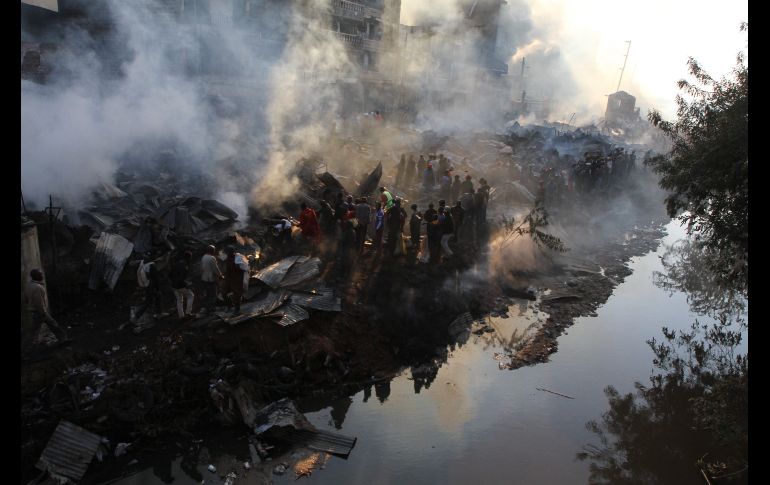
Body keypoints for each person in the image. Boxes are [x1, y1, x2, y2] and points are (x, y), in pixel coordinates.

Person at [23, 269, 68, 349]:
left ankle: (30, 346)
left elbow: (26, 300)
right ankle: (62, 339)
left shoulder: (28, 286)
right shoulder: (37, 287)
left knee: (35, 330)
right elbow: (39, 303)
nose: (42, 276)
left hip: (34, 312)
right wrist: (43, 312)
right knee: (53, 324)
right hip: (40, 312)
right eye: (40, 275)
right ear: (35, 276)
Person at [169, 251, 195, 319]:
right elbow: (182, 278)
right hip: (179, 285)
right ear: (188, 258)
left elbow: (170, 274)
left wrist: (173, 282)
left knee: (179, 300)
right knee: (191, 296)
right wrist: (186, 284)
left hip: (173, 285)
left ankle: (181, 316)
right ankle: (188, 313)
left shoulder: (177, 263)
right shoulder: (185, 266)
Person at [224, 246, 248, 315]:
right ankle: (235, 308)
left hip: (237, 279)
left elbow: (242, 267)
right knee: (235, 294)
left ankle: (237, 309)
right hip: (234, 279)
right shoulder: (230, 258)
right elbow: (229, 270)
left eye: (228, 252)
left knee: (237, 294)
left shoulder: (237, 258)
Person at [200, 245, 224, 314]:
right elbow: (215, 269)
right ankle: (211, 309)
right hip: (210, 279)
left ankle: (206, 307)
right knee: (213, 294)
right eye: (214, 250)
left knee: (207, 294)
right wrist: (221, 275)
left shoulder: (204, 257)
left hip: (204, 278)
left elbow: (202, 268)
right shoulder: (212, 258)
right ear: (212, 251)